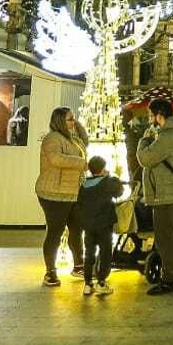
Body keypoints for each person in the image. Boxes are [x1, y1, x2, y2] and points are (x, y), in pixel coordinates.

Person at [137, 98, 173, 295]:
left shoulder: (168, 136)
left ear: (159, 116)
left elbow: (145, 158)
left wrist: (144, 140)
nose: (149, 119)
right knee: (166, 236)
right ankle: (170, 273)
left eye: (151, 115)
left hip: (166, 194)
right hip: (167, 192)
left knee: (165, 238)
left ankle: (169, 278)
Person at [35, 107, 88, 286]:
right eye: (70, 119)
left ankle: (79, 266)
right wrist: (81, 163)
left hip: (73, 192)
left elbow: (85, 143)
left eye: (73, 118)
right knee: (55, 232)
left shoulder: (72, 138)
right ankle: (50, 272)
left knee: (76, 229)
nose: (73, 122)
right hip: (54, 194)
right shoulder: (52, 139)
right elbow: (56, 159)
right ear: (60, 122)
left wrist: (76, 125)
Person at [75, 155, 124, 296]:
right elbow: (119, 192)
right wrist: (111, 177)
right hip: (104, 225)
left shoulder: (84, 185)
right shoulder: (107, 182)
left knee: (89, 253)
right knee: (105, 253)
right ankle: (101, 282)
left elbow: (79, 205)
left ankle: (88, 284)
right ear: (103, 169)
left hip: (88, 226)